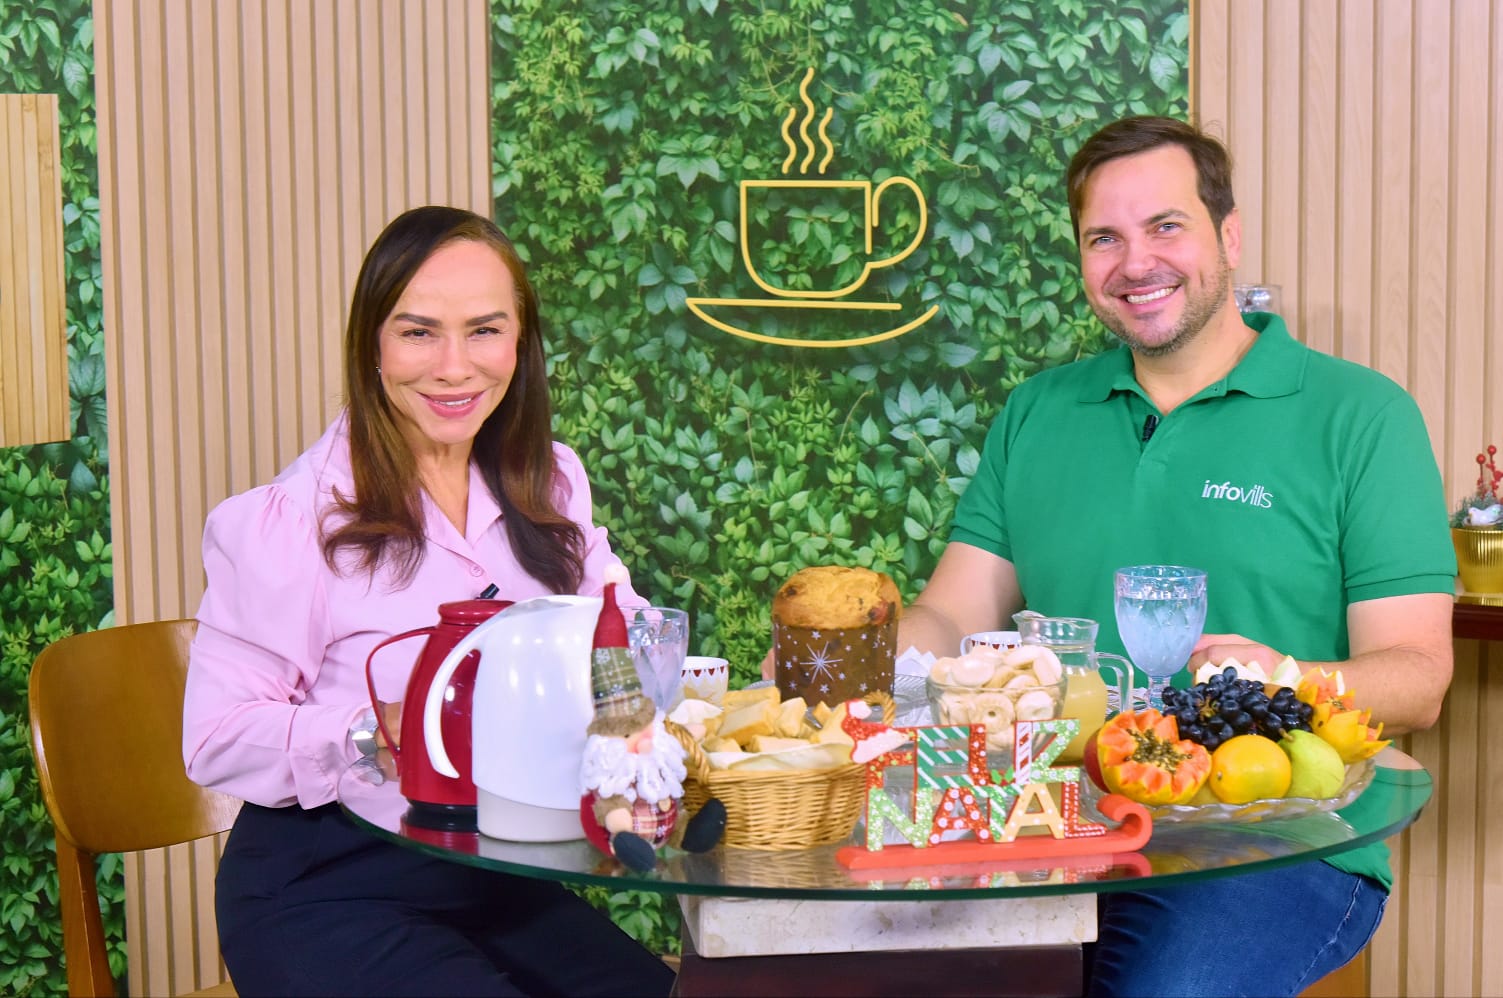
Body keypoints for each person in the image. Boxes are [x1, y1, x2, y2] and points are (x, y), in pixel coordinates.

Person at [899, 116, 1455, 996]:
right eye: (1103, 238)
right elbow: (949, 615)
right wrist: (858, 649)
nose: (1135, 263)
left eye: (1165, 226)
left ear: (1227, 236)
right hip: (1051, 819)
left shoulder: (1360, 417)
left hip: (1271, 845)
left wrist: (1283, 679)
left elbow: (1417, 678)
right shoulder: (1037, 413)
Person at [182, 205, 674, 996]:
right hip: (326, 888)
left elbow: (625, 627)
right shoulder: (290, 521)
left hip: (502, 882)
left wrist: (670, 665)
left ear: (520, 343)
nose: (454, 367)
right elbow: (216, 738)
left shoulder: (548, 484)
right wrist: (371, 731)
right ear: (372, 346)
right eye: (418, 333)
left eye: (484, 331)